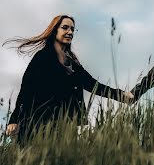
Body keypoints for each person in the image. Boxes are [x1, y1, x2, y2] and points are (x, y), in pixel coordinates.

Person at [4, 15, 133, 140]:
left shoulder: (72, 63)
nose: (70, 32)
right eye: (65, 27)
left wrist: (120, 95)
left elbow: (93, 85)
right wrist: (14, 120)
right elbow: (26, 89)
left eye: (72, 29)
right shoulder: (42, 57)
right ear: (55, 30)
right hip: (37, 124)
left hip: (62, 126)